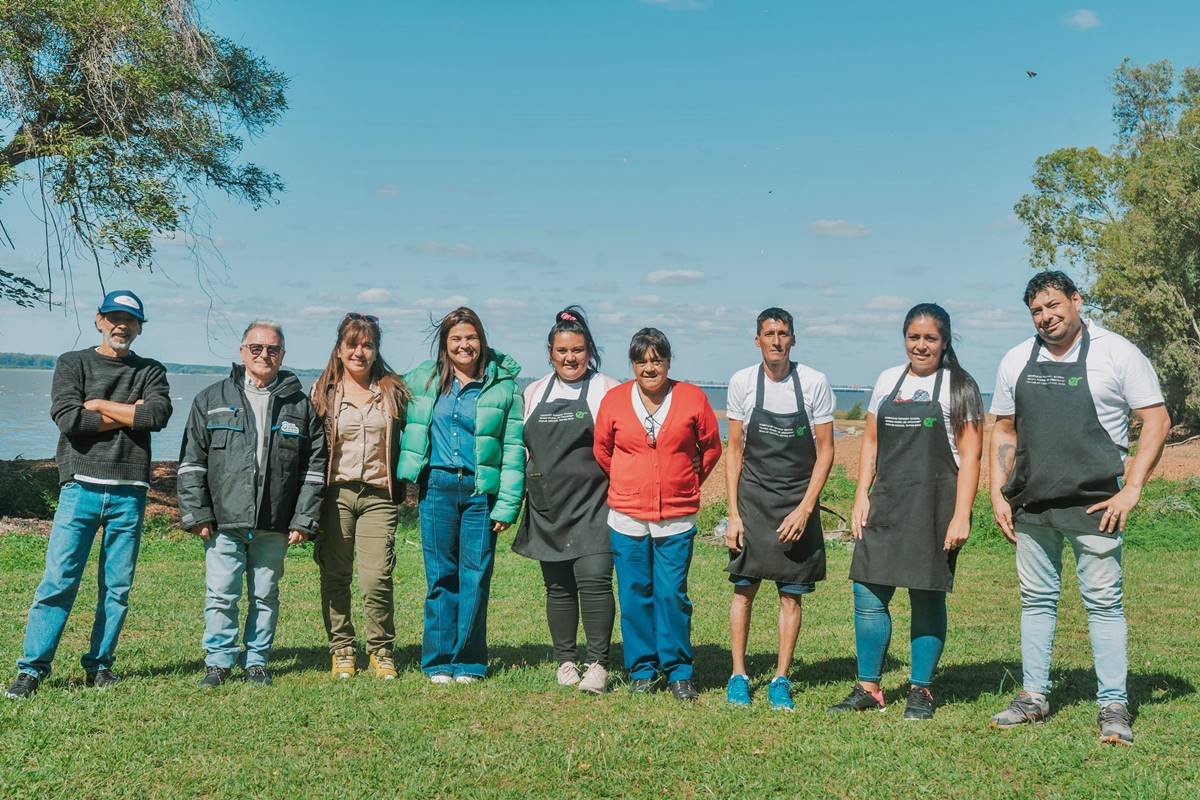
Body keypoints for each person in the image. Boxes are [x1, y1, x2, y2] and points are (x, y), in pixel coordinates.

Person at [987, 271, 1170, 747]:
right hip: (1032, 503)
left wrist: (1133, 489)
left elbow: (1156, 419)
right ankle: (1033, 697)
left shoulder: (1116, 352)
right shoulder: (1016, 358)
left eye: (1053, 305)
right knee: (1036, 600)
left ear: (1076, 300)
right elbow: (1003, 428)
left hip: (1096, 505)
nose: (1046, 317)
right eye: (1036, 311)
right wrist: (997, 491)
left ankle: (1112, 705)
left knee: (1104, 605)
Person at [5, 291, 172, 699]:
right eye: (114, 317)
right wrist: (125, 413)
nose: (122, 326)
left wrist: (97, 404)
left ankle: (100, 666)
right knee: (58, 581)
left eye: (130, 320)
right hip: (80, 484)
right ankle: (32, 669)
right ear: (99, 320)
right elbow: (69, 420)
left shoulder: (151, 370)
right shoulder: (72, 363)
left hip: (130, 490)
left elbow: (156, 417)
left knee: (117, 587)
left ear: (139, 326)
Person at [832, 303, 983, 720]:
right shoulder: (886, 380)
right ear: (904, 339)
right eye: (914, 337)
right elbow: (870, 443)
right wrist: (862, 493)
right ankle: (869, 688)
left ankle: (921, 690)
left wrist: (962, 514)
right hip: (885, 501)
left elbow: (971, 458)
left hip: (935, 506)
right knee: (867, 591)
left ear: (944, 341)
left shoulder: (959, 387)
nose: (921, 345)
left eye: (930, 338)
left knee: (926, 595)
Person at [177, 320, 326, 688]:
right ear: (242, 352)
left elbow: (314, 468)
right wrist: (197, 513)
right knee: (221, 593)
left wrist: (303, 518)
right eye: (256, 348)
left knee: (265, 594)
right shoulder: (210, 399)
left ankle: (257, 660)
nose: (264, 355)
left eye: (272, 349)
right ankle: (218, 661)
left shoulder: (300, 407)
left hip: (274, 522)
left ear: (283, 355)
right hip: (224, 519)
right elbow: (192, 461)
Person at [396, 307, 525, 684]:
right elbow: (381, 388)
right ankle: (437, 662)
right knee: (440, 577)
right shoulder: (423, 379)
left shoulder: (504, 388)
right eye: (456, 339)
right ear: (445, 344)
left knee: (475, 576)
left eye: (470, 338)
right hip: (436, 488)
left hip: (478, 492)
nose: (464, 345)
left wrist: (508, 503)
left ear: (481, 341)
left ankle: (469, 661)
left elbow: (514, 449)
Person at [593, 328, 722, 701]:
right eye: (642, 360)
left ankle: (679, 671)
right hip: (627, 515)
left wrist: (686, 481)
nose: (650, 367)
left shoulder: (693, 398)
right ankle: (642, 670)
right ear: (632, 364)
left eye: (657, 359)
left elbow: (711, 447)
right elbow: (603, 451)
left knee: (671, 595)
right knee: (634, 594)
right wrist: (628, 480)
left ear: (668, 361)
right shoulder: (615, 401)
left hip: (676, 517)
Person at [723, 308, 836, 712]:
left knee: (791, 595)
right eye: (768, 333)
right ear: (757, 340)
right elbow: (734, 451)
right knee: (744, 589)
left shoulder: (814, 383)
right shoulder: (741, 383)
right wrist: (733, 515)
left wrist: (805, 510)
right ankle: (738, 675)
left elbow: (826, 452)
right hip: (753, 501)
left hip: (796, 502)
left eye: (783, 333)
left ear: (793, 339)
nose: (776, 340)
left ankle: (780, 679)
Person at [513, 307, 621, 693]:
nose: (569, 358)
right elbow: (521, 450)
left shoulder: (608, 389)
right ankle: (565, 661)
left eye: (577, 350)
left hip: (597, 504)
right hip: (548, 506)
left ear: (589, 350)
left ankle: (597, 664)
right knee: (557, 587)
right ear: (549, 352)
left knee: (594, 580)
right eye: (562, 351)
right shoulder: (534, 392)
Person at [310, 313, 410, 681]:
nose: (360, 352)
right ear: (339, 349)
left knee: (375, 577)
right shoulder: (323, 393)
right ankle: (342, 649)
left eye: (368, 344)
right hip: (336, 493)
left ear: (376, 350)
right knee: (335, 574)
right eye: (352, 344)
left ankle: (381, 650)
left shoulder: (393, 391)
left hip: (379, 495)